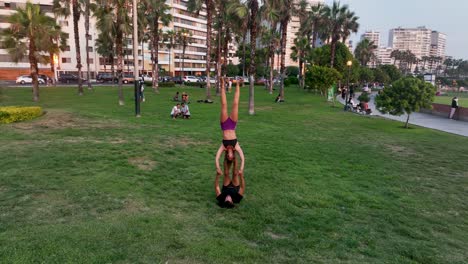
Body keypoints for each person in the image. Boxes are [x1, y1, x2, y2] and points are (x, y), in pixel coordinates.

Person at [215, 76, 245, 207]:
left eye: (229, 155)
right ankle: (237, 84)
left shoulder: (224, 146)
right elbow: (243, 158)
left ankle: (222, 84)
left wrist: (218, 168)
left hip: (224, 125)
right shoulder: (236, 145)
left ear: (227, 155)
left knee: (224, 105)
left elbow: (216, 158)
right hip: (232, 124)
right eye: (232, 155)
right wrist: (241, 169)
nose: (230, 154)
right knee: (235, 104)